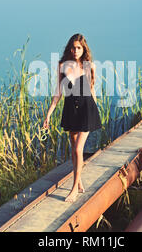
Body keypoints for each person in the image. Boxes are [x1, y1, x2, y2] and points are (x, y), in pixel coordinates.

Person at [42, 33, 102, 203]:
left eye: (79, 48)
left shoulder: (89, 66)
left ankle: (74, 189)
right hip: (70, 110)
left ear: (83, 49)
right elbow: (58, 93)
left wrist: (95, 110)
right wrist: (48, 115)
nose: (75, 51)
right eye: (73, 47)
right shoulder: (62, 66)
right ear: (70, 48)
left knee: (78, 150)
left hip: (86, 110)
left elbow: (91, 89)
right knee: (74, 151)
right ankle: (80, 181)